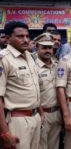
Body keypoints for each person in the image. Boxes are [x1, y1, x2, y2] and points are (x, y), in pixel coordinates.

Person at [0, 21, 41, 149]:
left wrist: (39, 112)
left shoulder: (29, 56)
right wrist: (5, 132)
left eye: (27, 36)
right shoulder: (3, 59)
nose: (25, 40)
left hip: (35, 117)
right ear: (7, 39)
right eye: (20, 36)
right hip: (17, 121)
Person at [33, 33, 62, 149]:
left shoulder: (57, 65)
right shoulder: (33, 67)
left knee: (54, 145)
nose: (48, 50)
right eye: (44, 47)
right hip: (42, 113)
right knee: (41, 146)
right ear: (37, 48)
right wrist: (40, 113)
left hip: (56, 112)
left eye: (50, 47)